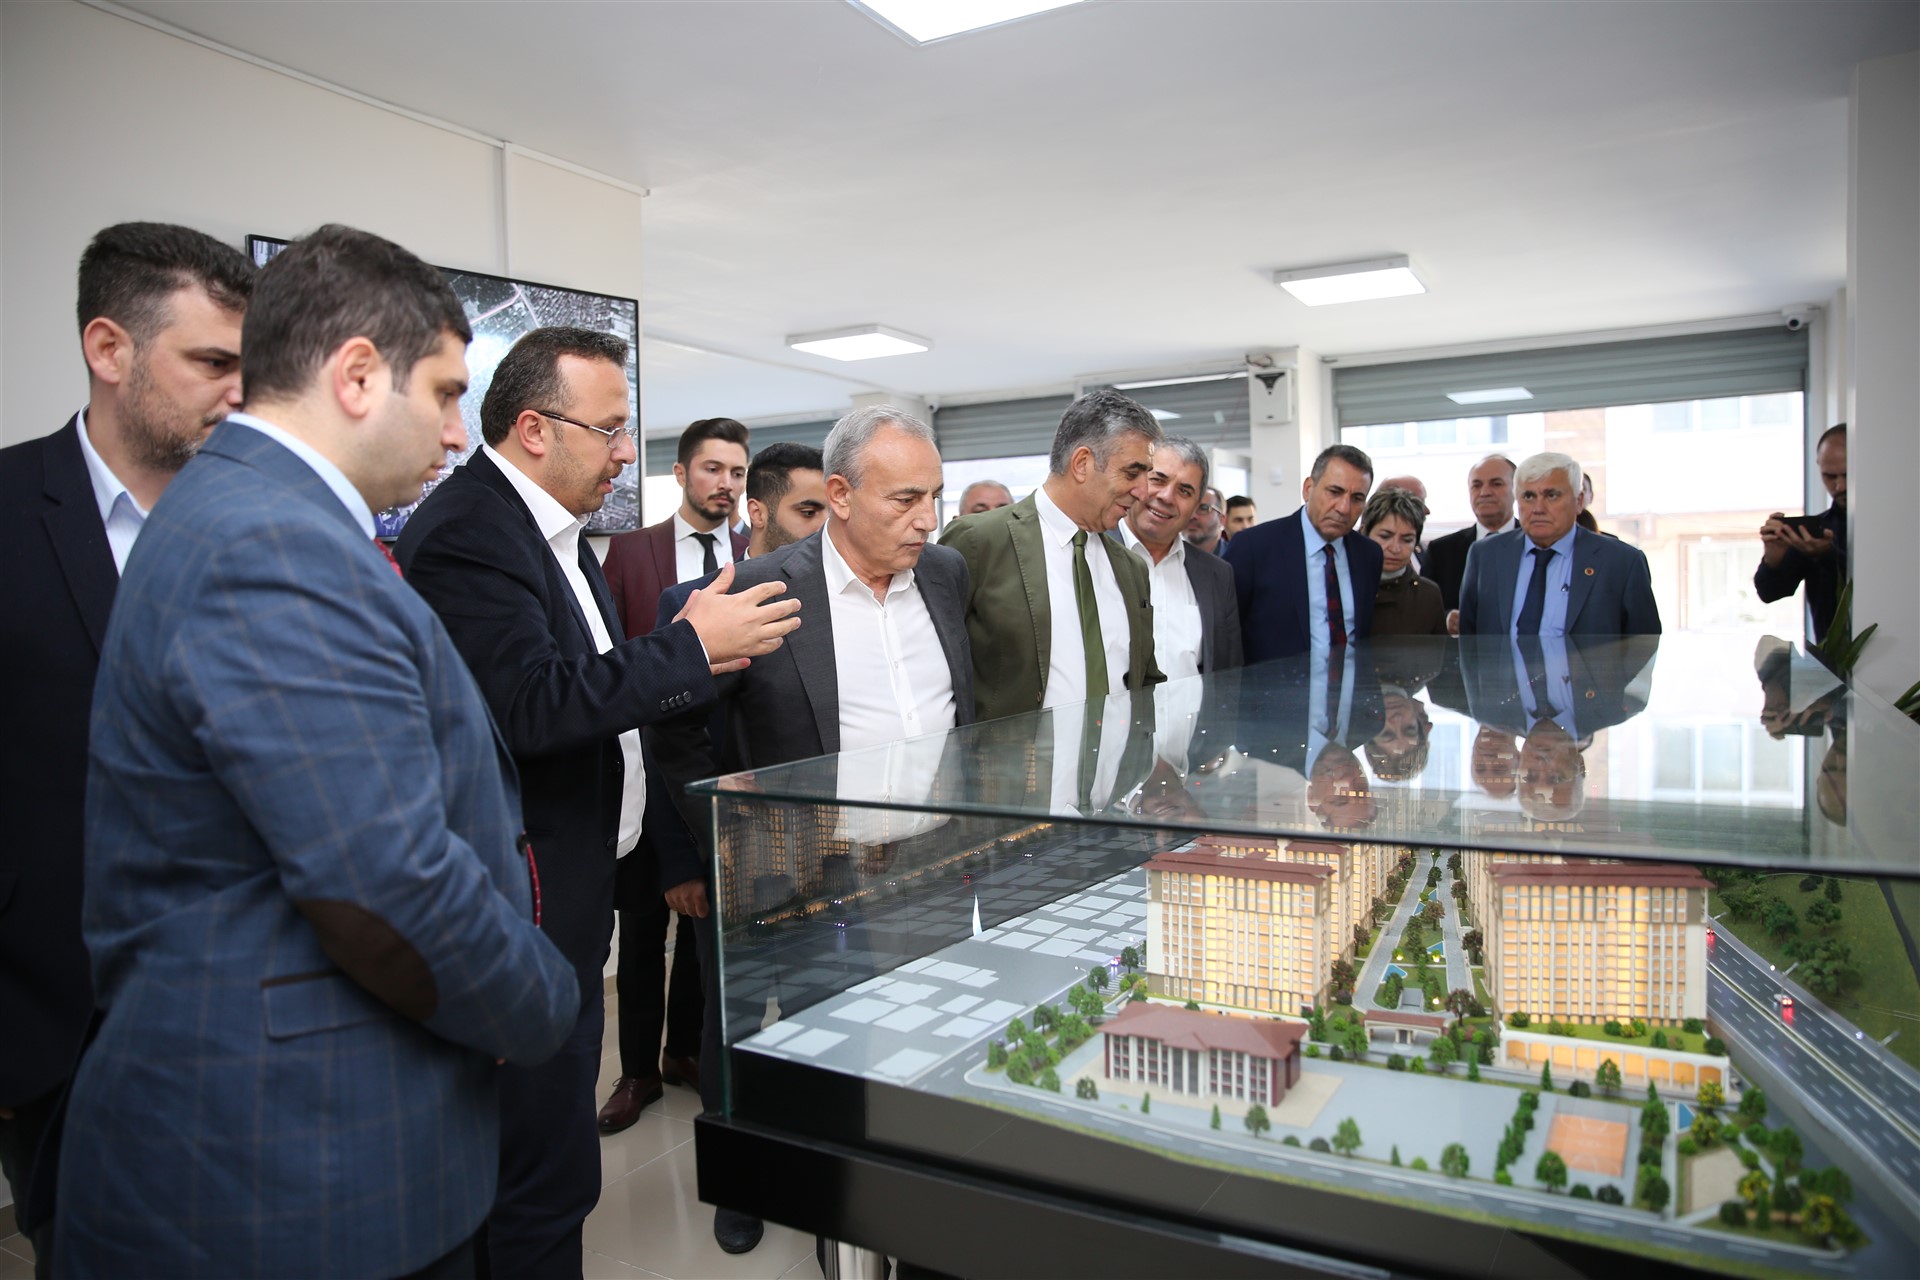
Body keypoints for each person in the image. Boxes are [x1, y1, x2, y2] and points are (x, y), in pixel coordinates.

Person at [58, 224, 581, 1280]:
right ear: (356, 375)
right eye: (444, 394)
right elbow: (386, 884)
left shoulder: (265, 514)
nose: (455, 435)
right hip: (290, 1161)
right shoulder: (272, 541)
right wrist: (547, 997)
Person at [394, 328, 799, 1277]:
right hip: (522, 901)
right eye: (610, 429)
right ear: (536, 429)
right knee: (534, 1174)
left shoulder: (561, 537)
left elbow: (597, 692)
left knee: (556, 1160)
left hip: (579, 887)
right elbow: (529, 706)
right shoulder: (470, 533)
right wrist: (690, 647)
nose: (625, 453)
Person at [650, 405, 974, 1259]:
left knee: (903, 1038)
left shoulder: (944, 574)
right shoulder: (759, 589)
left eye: (934, 497)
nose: (927, 519)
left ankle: (876, 1200)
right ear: (839, 494)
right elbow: (675, 727)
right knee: (772, 1038)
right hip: (804, 865)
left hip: (927, 863)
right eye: (905, 499)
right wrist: (722, 833)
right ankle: (750, 1182)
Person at [0, 222, 252, 1275]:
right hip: (56, 1020)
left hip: (250, 1021)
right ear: (110, 349)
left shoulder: (261, 529)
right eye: (212, 362)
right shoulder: (9, 511)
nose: (239, 394)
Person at [595, 416, 750, 1135]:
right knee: (642, 927)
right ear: (682, 473)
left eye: (738, 472)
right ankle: (636, 1072)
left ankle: (683, 1050)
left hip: (710, 777)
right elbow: (610, 663)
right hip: (641, 768)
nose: (726, 484)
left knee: (700, 932)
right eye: (713, 469)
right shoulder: (631, 552)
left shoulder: (752, 556)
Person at [943, 389, 1164, 721]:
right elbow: (936, 673)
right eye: (1133, 473)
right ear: (1082, 463)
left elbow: (1144, 679)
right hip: (1009, 754)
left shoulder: (1131, 568)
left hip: (1117, 755)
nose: (1144, 492)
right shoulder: (978, 542)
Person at [1457, 451, 1661, 637]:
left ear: (1578, 501)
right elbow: (1468, 643)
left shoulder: (1621, 562)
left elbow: (1644, 647)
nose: (1538, 508)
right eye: (1528, 496)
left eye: (1551, 495)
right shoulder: (1485, 555)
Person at [1223, 443, 1384, 664]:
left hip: (1350, 685)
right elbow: (1225, 634)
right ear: (1308, 488)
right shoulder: (1254, 547)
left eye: (1357, 498)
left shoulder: (1369, 555)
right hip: (1272, 685)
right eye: (1334, 492)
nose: (1344, 508)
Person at [1114, 437, 1243, 678]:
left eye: (1184, 491)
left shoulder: (1217, 575)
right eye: (1158, 480)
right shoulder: (1090, 554)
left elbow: (1229, 673)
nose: (1166, 496)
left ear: (1195, 507)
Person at [1756, 423, 1847, 643]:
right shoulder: (1816, 532)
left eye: (1848, 475)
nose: (1840, 486)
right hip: (1831, 658)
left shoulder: (1896, 527)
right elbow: (1770, 593)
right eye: (1830, 476)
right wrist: (1773, 560)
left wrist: (1827, 556)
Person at [1420, 454, 1517, 629]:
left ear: (1517, 489)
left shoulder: (1537, 544)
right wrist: (1447, 619)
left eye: (1496, 484)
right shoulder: (1441, 551)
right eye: (1476, 485)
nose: (1484, 492)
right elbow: (1422, 608)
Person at [1361, 487, 1448, 637]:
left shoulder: (1429, 594)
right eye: (1385, 536)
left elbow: (1440, 650)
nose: (1395, 548)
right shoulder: (1343, 587)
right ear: (1364, 533)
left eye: (1407, 540)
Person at [744, 441, 828, 557]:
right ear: (757, 513)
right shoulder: (724, 566)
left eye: (833, 516)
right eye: (809, 513)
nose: (826, 527)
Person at [1185, 485, 1226, 554]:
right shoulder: (1169, 557)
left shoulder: (1237, 557)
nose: (1192, 516)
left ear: (1222, 520)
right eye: (1189, 508)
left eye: (1203, 508)